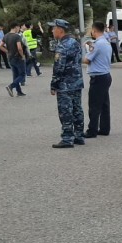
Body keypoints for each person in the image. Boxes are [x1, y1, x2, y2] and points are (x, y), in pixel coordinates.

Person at [50, 19, 84, 148]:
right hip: (77, 82)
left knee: (65, 111)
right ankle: (79, 136)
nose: (52, 31)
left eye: (54, 28)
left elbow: (59, 67)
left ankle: (67, 138)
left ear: (60, 30)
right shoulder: (75, 42)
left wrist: (54, 84)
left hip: (65, 85)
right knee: (77, 109)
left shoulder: (62, 46)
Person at [83, 21, 112, 138]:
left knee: (94, 105)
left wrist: (84, 51)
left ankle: (92, 130)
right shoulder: (106, 42)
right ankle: (104, 128)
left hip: (98, 77)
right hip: (105, 75)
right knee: (104, 104)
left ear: (94, 30)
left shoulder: (97, 44)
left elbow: (87, 60)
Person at [0, 22, 26, 97]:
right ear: (16, 27)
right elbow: (19, 48)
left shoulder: (6, 36)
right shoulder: (17, 36)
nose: (19, 29)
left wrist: (8, 51)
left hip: (10, 57)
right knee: (22, 74)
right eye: (18, 27)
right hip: (18, 57)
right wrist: (22, 56)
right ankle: (11, 86)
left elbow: (0, 46)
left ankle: (19, 91)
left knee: (15, 75)